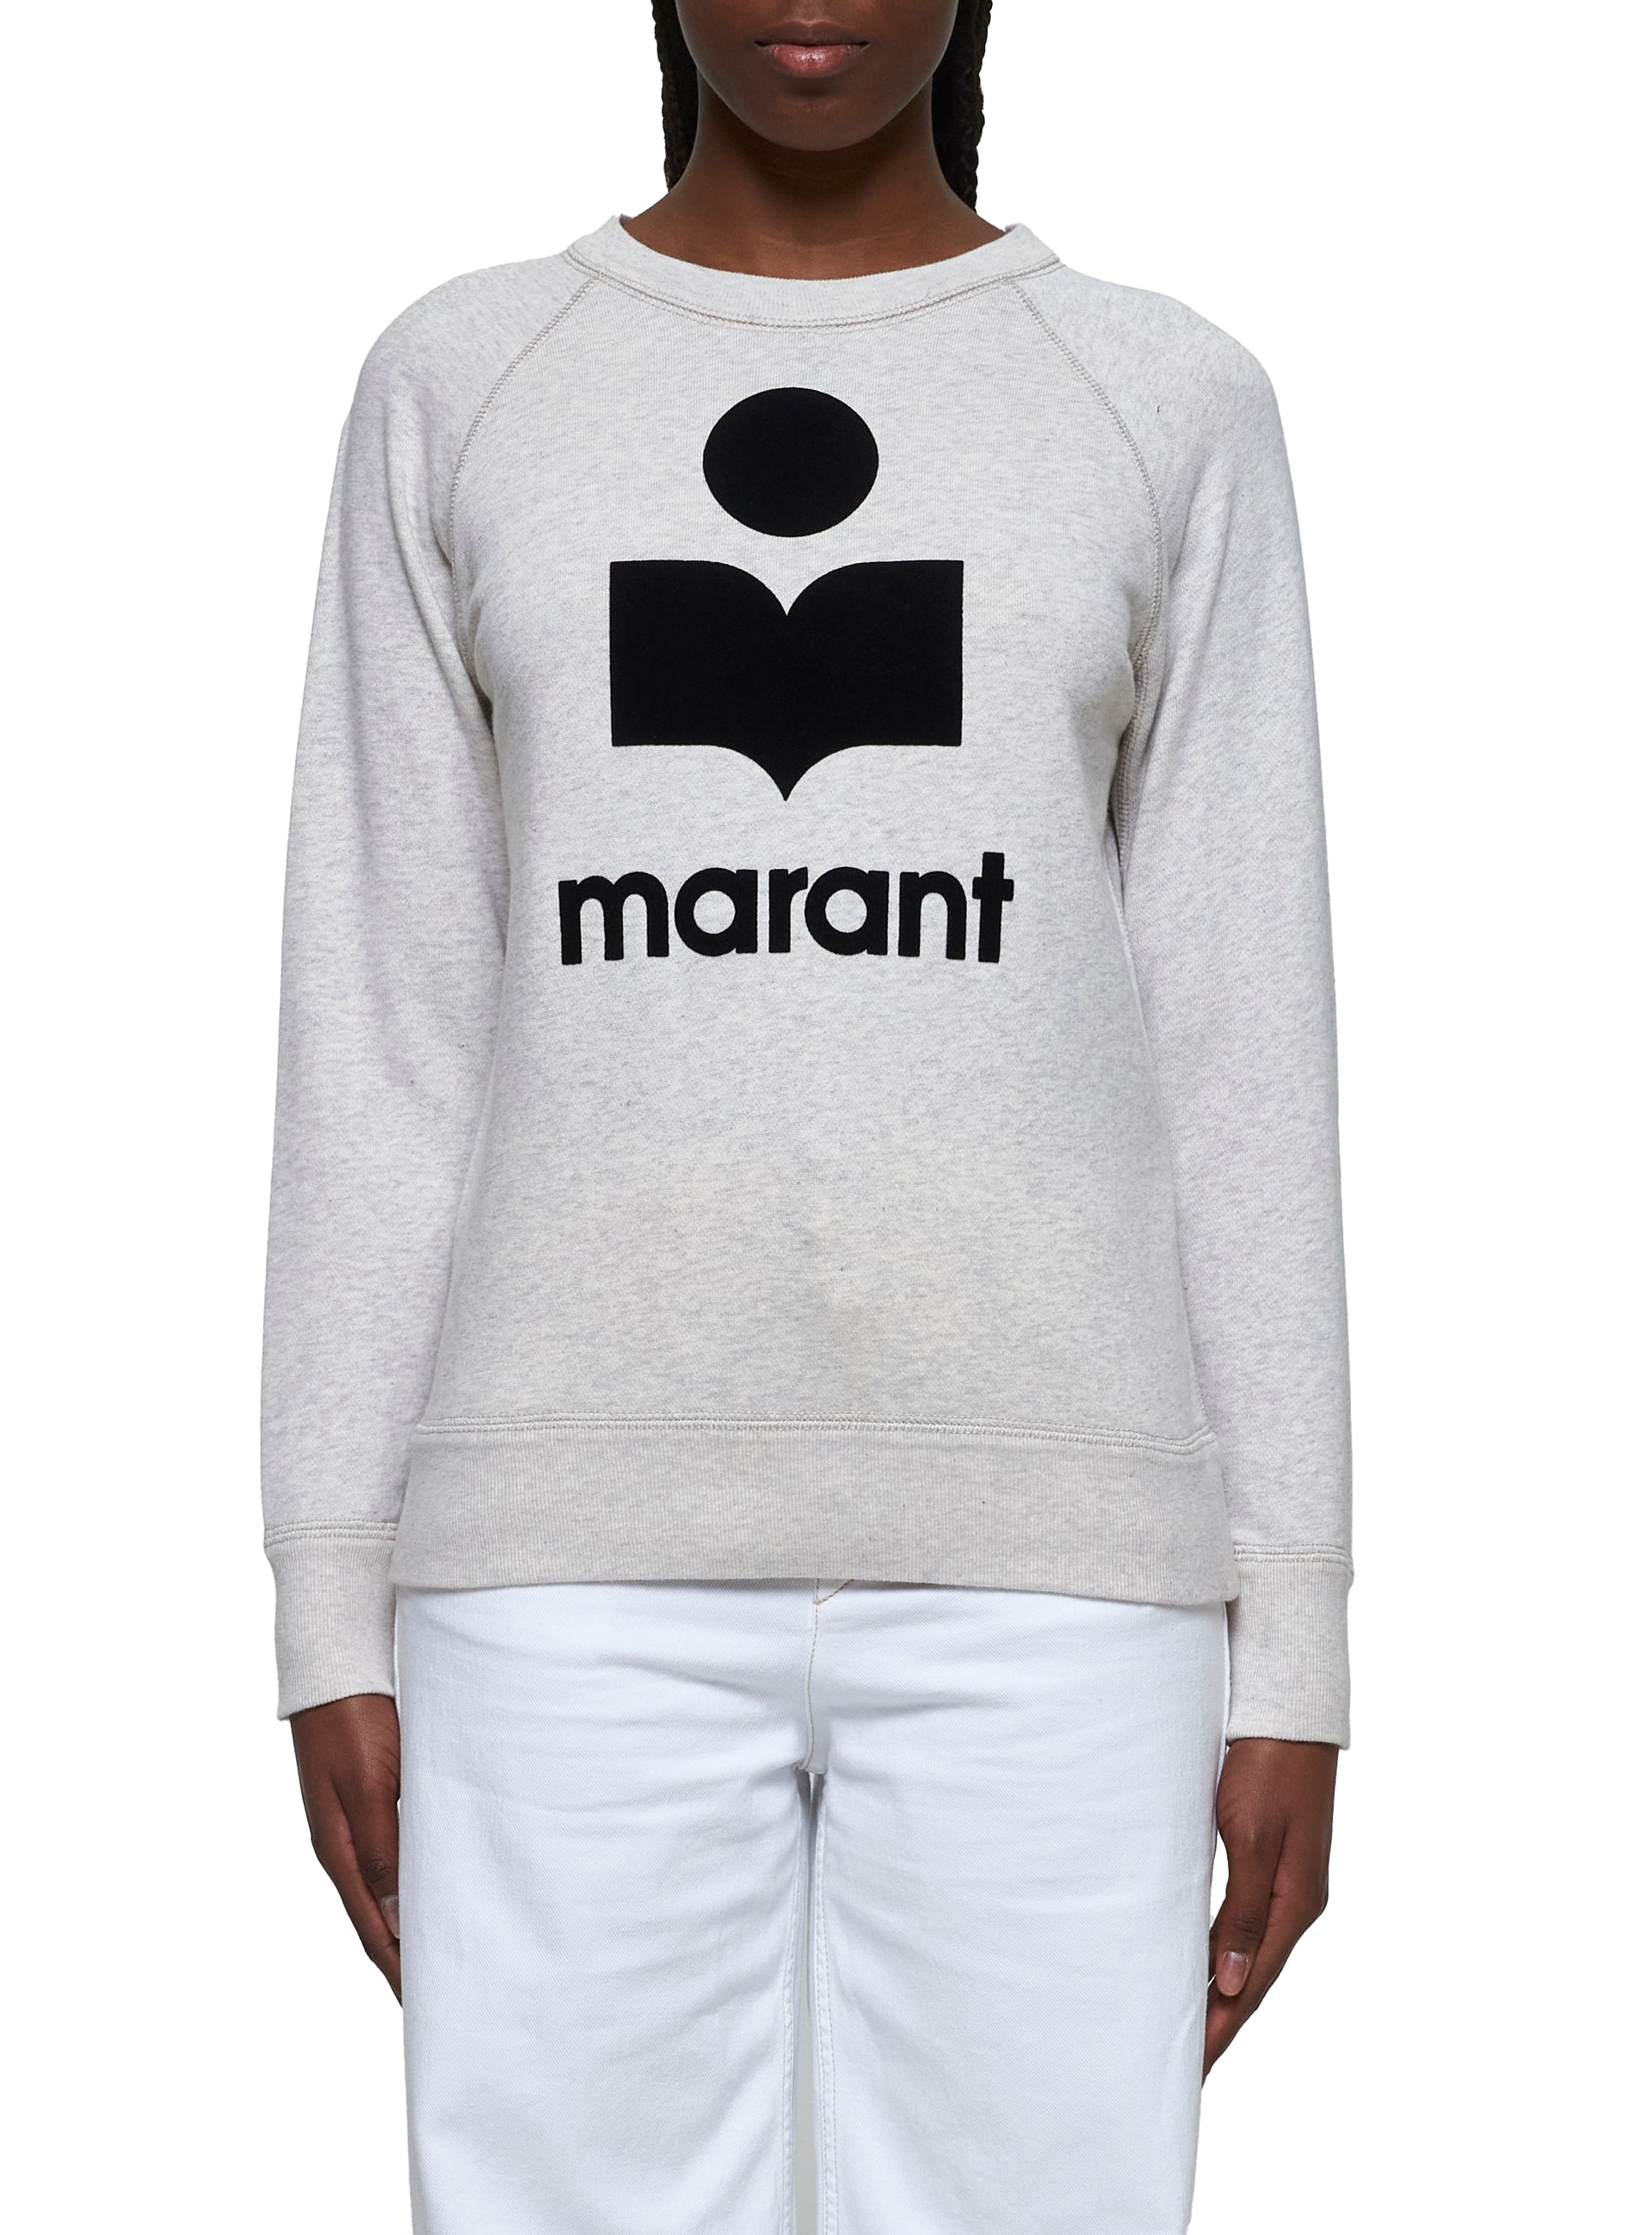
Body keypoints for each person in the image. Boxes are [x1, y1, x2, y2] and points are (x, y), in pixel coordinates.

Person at [263, 3, 1351, 2228]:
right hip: (555, 1546)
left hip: (1062, 1553)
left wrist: (1299, 1637)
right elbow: (385, 1021)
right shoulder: (469, 378)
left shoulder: (1159, 395)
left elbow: (1239, 1041)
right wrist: (326, 1590)